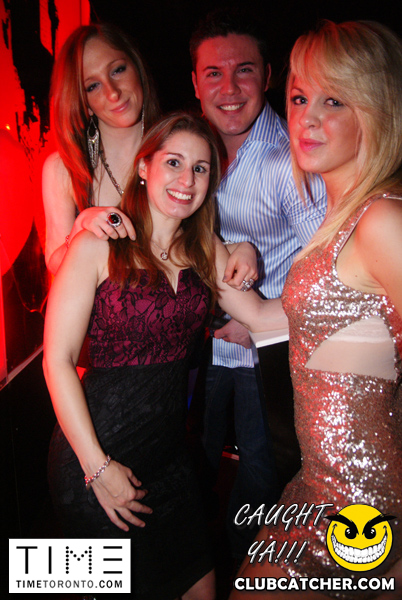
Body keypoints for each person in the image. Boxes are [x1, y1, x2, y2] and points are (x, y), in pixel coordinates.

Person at [43, 112, 288, 600]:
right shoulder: (96, 244)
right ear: (144, 167)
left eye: (200, 169)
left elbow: (263, 318)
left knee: (202, 587)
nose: (186, 180)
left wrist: (344, 288)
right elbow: (58, 360)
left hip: (169, 458)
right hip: (95, 456)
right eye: (173, 162)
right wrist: (98, 469)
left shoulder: (205, 249)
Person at [230, 20, 402, 600]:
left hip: (364, 511)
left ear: (377, 109)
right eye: (301, 98)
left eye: (334, 101)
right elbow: (269, 320)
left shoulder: (382, 221)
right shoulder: (343, 214)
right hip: (320, 491)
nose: (306, 119)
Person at [189, 8, 327, 561]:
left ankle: (245, 575)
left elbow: (327, 272)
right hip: (200, 348)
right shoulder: (190, 149)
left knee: (262, 483)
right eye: (213, 73)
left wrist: (262, 320)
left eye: (243, 70)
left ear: (268, 76)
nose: (228, 88)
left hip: (264, 358)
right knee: (190, 467)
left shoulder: (290, 159)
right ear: (194, 82)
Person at [42, 23, 160, 276]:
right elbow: (55, 264)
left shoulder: (179, 150)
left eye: (117, 70)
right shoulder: (63, 168)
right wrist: (80, 229)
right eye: (92, 86)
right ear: (83, 102)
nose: (112, 93)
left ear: (137, 68)